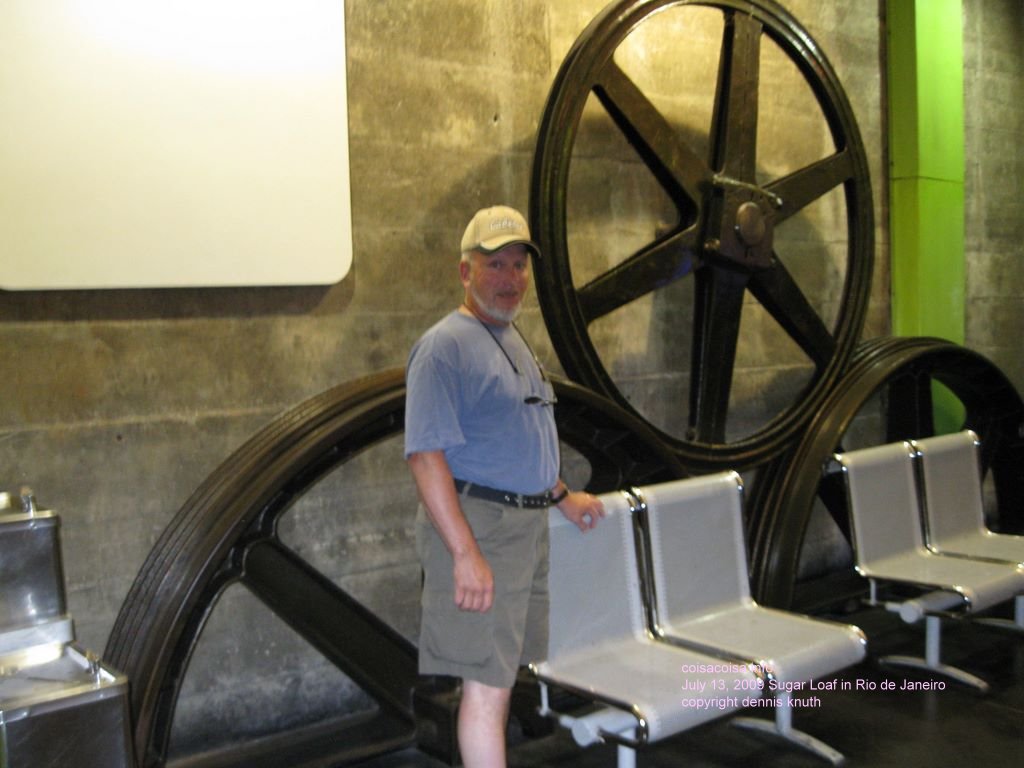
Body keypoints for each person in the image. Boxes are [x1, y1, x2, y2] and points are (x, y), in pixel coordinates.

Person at [405, 205, 605, 767]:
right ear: (465, 272)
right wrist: (465, 554)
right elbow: (424, 456)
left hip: (523, 530)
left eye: (519, 265)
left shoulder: (510, 337)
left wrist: (562, 496)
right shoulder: (444, 348)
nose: (510, 279)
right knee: (487, 689)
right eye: (495, 264)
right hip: (481, 532)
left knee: (500, 676)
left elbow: (517, 434)